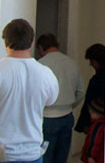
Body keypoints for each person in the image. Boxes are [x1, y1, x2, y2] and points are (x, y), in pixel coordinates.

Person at [0, 19, 59, 163]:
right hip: (32, 152)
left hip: (2, 153)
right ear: (31, 43)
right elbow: (50, 101)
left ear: (5, 43)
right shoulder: (46, 74)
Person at [36, 33, 86, 163]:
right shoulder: (71, 63)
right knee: (61, 157)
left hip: (47, 117)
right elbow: (81, 92)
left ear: (41, 48)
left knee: (45, 156)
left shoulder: (40, 65)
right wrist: (69, 106)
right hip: (67, 116)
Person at [74, 44, 105, 134]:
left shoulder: (97, 80)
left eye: (91, 61)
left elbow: (89, 101)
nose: (90, 64)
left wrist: (85, 123)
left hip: (95, 121)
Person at [80, 99, 105, 163]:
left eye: (91, 112)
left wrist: (90, 156)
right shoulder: (103, 124)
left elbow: (94, 142)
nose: (90, 115)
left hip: (95, 158)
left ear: (97, 113)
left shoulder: (97, 127)